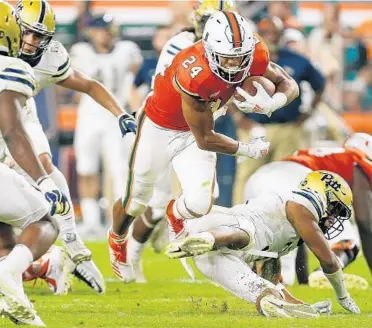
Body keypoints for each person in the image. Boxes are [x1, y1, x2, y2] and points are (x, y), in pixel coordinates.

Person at [108, 9, 299, 283]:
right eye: (227, 58)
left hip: (196, 130)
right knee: (137, 200)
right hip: (160, 128)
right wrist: (246, 148)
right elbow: (205, 138)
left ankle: (175, 215)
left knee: (198, 203)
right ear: (209, 50)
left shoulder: (255, 52)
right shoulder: (193, 71)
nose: (234, 65)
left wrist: (273, 102)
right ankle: (117, 238)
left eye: (239, 57)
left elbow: (288, 83)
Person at [0, 0, 138, 295]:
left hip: (18, 117)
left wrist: (121, 114)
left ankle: (75, 246)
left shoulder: (47, 58)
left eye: (38, 36)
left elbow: (88, 84)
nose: (29, 41)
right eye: (25, 31)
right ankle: (44, 264)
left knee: (44, 168)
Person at [0, 1, 69, 324]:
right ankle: (9, 271)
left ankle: (6, 274)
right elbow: (13, 131)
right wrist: (44, 182)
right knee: (46, 221)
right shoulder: (10, 68)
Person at [127, 0, 237, 283]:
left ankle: (192, 256)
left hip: (197, 128)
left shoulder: (229, 52)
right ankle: (132, 255)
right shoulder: (182, 45)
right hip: (166, 126)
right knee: (157, 201)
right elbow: (177, 91)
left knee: (202, 198)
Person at [166, 171, 360, 317]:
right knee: (247, 235)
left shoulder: (291, 227)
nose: (334, 219)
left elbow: (270, 264)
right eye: (335, 209)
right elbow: (329, 261)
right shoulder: (304, 202)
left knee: (265, 293)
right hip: (226, 225)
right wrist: (343, 296)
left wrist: (303, 308)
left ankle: (210, 241)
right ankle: (211, 238)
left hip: (210, 257)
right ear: (322, 194)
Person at [244, 133, 372, 282]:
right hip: (295, 180)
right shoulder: (357, 160)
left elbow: (301, 233)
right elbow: (365, 222)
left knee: (280, 257)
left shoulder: (324, 155)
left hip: (258, 178)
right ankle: (323, 274)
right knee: (348, 240)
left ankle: (251, 280)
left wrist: (304, 282)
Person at [234, 16, 325, 203]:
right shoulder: (245, 60)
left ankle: (286, 215)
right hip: (255, 127)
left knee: (287, 174)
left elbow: (320, 84)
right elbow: (227, 88)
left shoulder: (297, 59)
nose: (272, 37)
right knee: (247, 173)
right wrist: (237, 117)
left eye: (275, 33)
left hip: (287, 128)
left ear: (282, 35)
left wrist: (308, 113)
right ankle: (238, 214)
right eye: (267, 33)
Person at [71, 13, 143, 237]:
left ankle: (123, 224)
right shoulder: (80, 53)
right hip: (89, 115)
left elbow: (134, 80)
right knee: (86, 168)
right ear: (92, 32)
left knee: (120, 170)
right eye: (100, 30)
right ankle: (91, 220)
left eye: (107, 29)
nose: (104, 34)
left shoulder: (127, 51)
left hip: (115, 116)